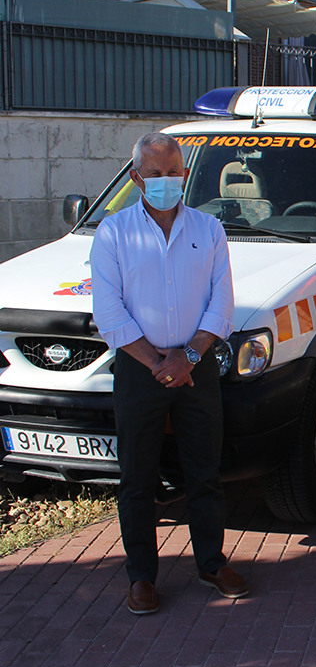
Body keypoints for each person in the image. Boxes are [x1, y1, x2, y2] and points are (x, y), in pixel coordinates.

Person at [90, 133, 246, 615]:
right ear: (136, 178)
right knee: (137, 478)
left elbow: (222, 300)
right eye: (154, 174)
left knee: (205, 473)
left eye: (172, 173)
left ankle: (211, 563)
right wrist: (158, 363)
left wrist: (189, 356)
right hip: (140, 371)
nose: (164, 181)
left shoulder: (208, 229)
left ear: (185, 174)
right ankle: (141, 575)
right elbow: (108, 310)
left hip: (197, 368)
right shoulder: (114, 233)